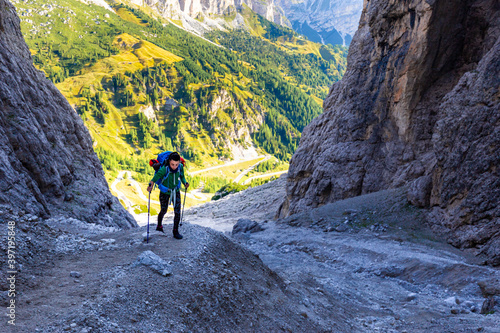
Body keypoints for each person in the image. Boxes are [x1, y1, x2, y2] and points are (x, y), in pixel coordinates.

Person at [147, 152, 189, 239]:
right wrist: (150, 185)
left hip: (176, 191)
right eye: (172, 164)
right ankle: (159, 226)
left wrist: (185, 183)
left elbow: (182, 176)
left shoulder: (180, 167)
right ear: (169, 161)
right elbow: (156, 177)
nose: (174, 166)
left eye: (176, 164)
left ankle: (175, 231)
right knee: (163, 210)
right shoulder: (164, 169)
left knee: (177, 212)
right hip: (165, 192)